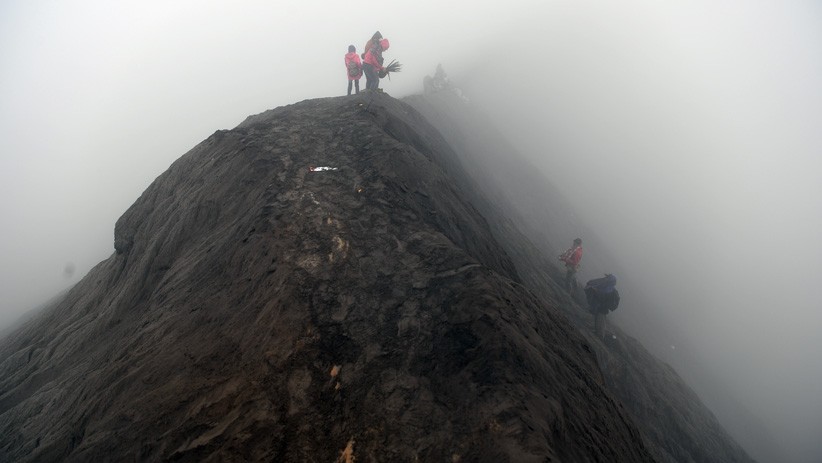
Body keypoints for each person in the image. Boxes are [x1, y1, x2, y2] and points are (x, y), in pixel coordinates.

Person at [584, 274, 620, 339]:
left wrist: (595, 291)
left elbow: (603, 298)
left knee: (600, 321)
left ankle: (600, 335)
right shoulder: (608, 288)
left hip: (603, 308)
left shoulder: (610, 290)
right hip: (601, 307)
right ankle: (598, 333)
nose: (606, 279)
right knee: (598, 320)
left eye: (607, 278)